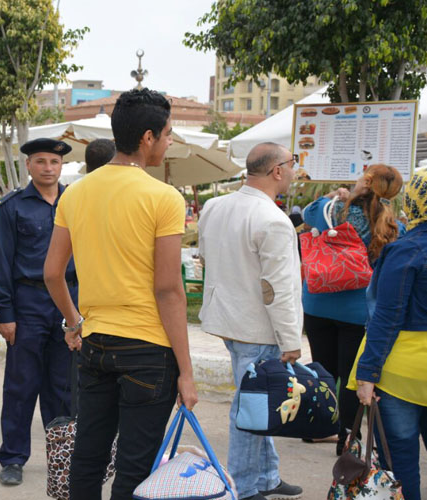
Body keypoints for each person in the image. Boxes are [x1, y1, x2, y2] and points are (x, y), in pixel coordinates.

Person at [44, 88, 197, 499]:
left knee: (87, 460)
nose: (169, 141)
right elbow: (168, 289)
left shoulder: (75, 193)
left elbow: (52, 273)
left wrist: (73, 323)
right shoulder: (164, 197)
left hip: (95, 346)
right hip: (149, 352)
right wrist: (186, 371)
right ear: (148, 137)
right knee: (135, 470)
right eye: (167, 134)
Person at [198, 142, 303, 500]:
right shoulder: (273, 219)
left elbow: (206, 257)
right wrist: (291, 339)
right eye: (292, 164)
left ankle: (266, 477)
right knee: (250, 409)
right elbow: (277, 289)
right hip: (258, 327)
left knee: (260, 404)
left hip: (228, 318)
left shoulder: (215, 206)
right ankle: (244, 486)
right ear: (277, 170)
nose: (294, 171)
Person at [0, 137, 77, 487]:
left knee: (64, 387)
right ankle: (13, 458)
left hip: (68, 301)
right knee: (21, 386)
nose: (48, 168)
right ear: (28, 165)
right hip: (28, 303)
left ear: (61, 166)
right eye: (40, 161)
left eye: (54, 162)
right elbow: (1, 262)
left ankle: (62, 458)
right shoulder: (12, 207)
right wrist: (4, 312)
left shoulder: (76, 202)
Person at [301, 164, 402, 455]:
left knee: (324, 370)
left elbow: (307, 213)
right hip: (357, 310)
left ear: (365, 181)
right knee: (350, 376)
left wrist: (337, 194)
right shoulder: (389, 222)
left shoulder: (332, 209)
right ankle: (347, 438)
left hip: (318, 302)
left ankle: (320, 428)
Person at [353, 168, 427, 500]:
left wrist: (367, 374)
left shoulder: (406, 250)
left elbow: (387, 316)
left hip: (402, 373)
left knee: (400, 459)